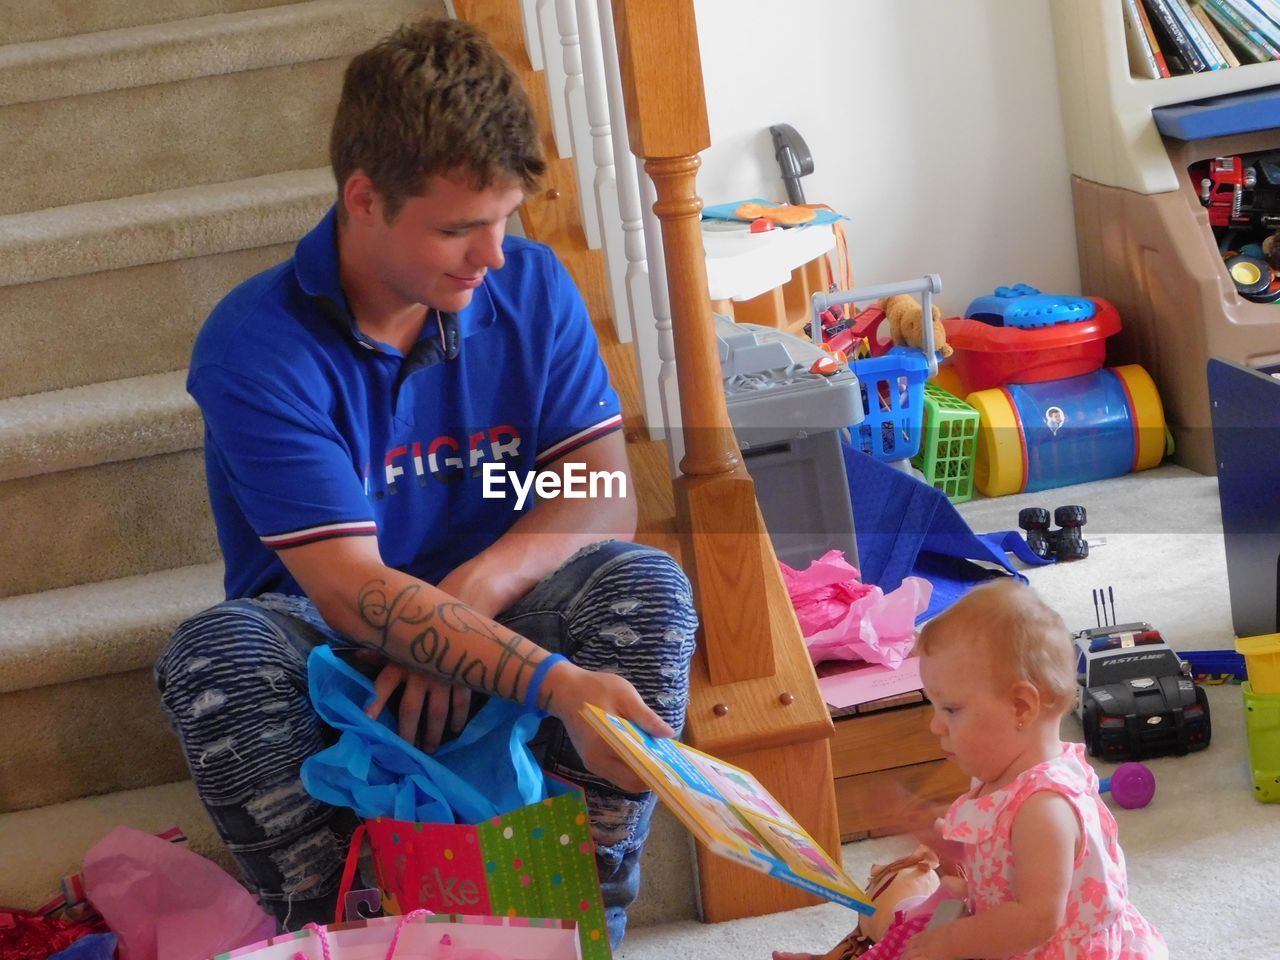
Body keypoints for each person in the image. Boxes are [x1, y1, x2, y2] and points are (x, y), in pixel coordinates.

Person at [153, 16, 697, 946]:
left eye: (504, 221)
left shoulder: (528, 284)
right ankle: (347, 934)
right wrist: (556, 683)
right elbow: (354, 594)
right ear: (364, 199)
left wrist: (470, 601)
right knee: (217, 656)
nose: (493, 258)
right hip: (336, 651)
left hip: (501, 614)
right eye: (458, 229)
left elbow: (603, 495)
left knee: (643, 587)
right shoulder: (253, 345)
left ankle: (571, 925)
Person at [774, 579, 1166, 960]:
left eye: (951, 710)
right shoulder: (1005, 778)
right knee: (915, 923)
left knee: (928, 932)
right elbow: (993, 854)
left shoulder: (1044, 809)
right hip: (997, 927)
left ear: (1021, 708)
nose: (934, 725)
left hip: (1040, 946)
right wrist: (926, 825)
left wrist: (951, 943)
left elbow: (1038, 919)